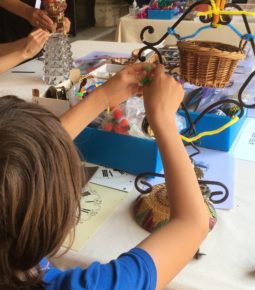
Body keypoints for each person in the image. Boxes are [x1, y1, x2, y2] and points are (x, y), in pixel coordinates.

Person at [0, 63, 209, 289]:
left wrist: (102, 97)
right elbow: (192, 224)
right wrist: (163, 119)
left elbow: (22, 160)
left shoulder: (11, 239)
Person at [0, 0, 70, 43]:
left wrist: (57, 17)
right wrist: (26, 11)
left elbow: (58, 3)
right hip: (7, 22)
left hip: (35, 15)